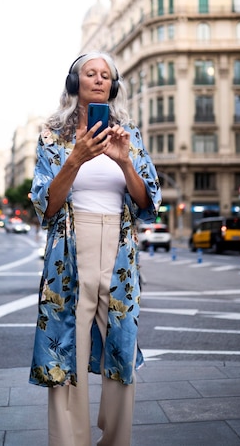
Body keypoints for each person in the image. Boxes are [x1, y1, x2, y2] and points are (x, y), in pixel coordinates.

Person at [29, 51, 161, 446]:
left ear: (113, 85)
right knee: (65, 349)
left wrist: (124, 164)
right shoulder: (53, 135)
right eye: (91, 73)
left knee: (121, 346)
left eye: (106, 75)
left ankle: (117, 440)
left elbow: (147, 204)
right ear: (75, 82)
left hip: (120, 253)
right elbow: (45, 206)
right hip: (69, 251)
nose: (99, 79)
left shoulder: (128, 135)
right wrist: (76, 158)